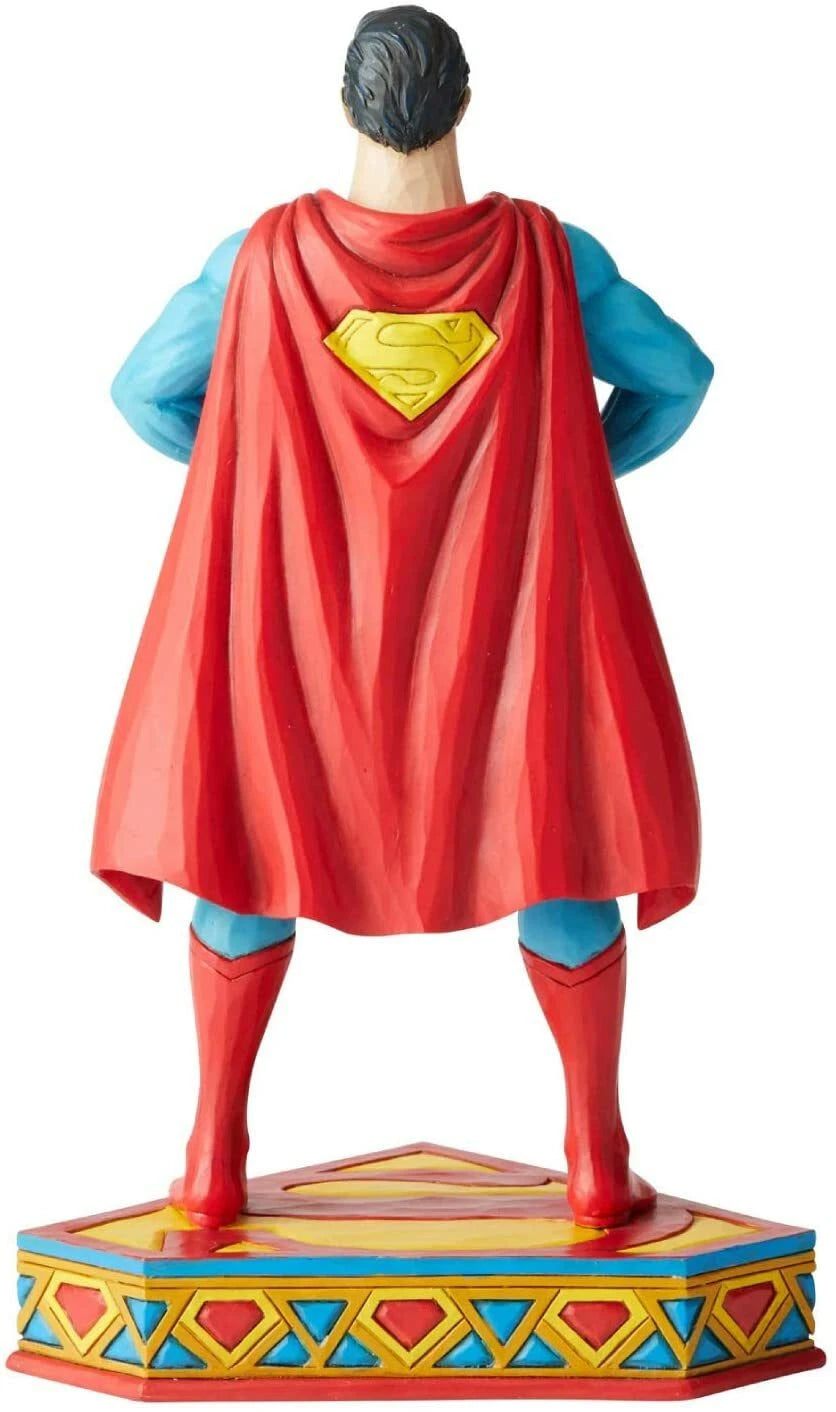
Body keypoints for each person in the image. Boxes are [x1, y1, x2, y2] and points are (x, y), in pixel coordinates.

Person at [93, 6, 712, 1231]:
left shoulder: (260, 256)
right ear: (463, 105)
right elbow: (678, 376)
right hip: (504, 605)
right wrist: (562, 465)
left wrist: (269, 466)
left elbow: (144, 392)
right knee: (552, 824)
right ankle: (595, 1158)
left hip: (303, 614)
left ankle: (211, 1155)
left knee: (257, 826)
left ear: (345, 105)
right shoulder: (549, 255)